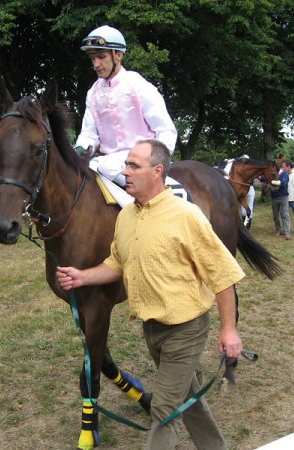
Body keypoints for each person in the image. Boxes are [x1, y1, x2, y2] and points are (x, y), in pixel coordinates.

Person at [56, 139, 245, 450]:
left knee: (163, 410)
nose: (124, 171)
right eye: (126, 164)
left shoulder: (186, 216)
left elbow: (223, 275)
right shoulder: (127, 216)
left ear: (157, 171)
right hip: (152, 330)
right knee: (187, 398)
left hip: (186, 330)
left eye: (133, 166)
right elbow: (117, 261)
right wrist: (82, 276)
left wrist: (229, 329)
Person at [75, 25, 178, 207]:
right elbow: (89, 134)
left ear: (118, 55)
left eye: (101, 57)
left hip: (143, 160)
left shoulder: (138, 85)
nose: (96, 64)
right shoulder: (93, 92)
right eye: (93, 59)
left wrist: (156, 166)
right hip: (108, 163)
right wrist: (79, 150)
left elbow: (166, 130)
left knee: (102, 166)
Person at [270, 161, 291, 240]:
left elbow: (283, 183)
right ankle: (278, 230)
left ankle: (287, 233)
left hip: (283, 197)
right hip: (274, 197)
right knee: (276, 216)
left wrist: (272, 182)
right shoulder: (273, 173)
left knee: (285, 215)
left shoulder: (284, 174)